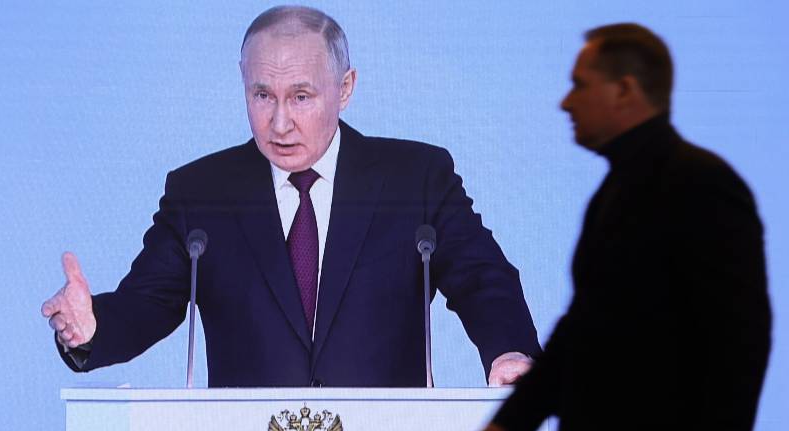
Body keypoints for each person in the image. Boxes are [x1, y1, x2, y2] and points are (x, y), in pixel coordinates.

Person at [41, 5, 541, 387]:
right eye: (262, 95)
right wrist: (92, 328)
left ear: (345, 88)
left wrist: (509, 352)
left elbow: (482, 278)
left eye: (301, 97)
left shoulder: (417, 179)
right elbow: (147, 303)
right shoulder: (201, 193)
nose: (279, 123)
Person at [475, 24, 771, 431]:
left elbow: (741, 334)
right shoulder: (618, 188)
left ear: (626, 91)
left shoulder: (700, 184)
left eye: (579, 85)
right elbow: (586, 328)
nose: (565, 101)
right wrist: (513, 423)